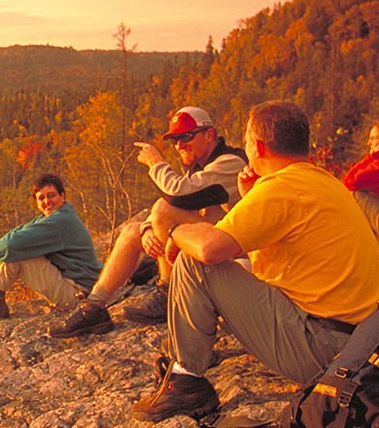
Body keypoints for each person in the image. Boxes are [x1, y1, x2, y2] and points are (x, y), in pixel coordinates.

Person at [131, 100, 379, 422]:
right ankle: (195, 352)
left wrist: (176, 231)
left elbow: (210, 250)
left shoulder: (282, 189)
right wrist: (248, 194)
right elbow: (256, 258)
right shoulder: (321, 181)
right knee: (234, 268)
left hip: (324, 350)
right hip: (359, 341)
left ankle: (188, 381)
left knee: (194, 263)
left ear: (258, 146)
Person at [51, 106, 247, 338]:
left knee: (163, 208)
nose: (179, 145)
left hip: (235, 256)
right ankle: (94, 306)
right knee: (134, 231)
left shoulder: (231, 163)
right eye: (175, 140)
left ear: (210, 134)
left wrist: (156, 164)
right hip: (210, 244)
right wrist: (147, 229)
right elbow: (182, 206)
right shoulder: (199, 168)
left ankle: (168, 291)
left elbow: (177, 196)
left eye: (186, 136)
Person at [0, 173, 102, 319]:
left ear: (62, 196)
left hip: (79, 295)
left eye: (51, 195)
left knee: (20, 251)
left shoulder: (61, 221)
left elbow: (12, 243)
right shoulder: (51, 218)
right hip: (72, 286)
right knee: (20, 247)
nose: (47, 201)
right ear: (37, 202)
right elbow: (18, 231)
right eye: (41, 198)